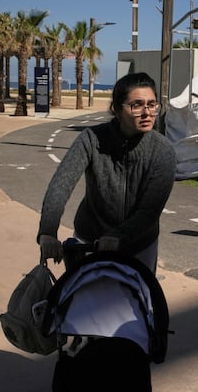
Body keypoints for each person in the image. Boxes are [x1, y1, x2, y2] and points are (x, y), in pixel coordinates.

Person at [37, 72, 176, 274]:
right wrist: (48, 232)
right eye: (137, 105)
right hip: (90, 240)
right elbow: (61, 185)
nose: (147, 113)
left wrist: (118, 236)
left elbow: (150, 210)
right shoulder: (91, 139)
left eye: (152, 104)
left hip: (140, 245)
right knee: (83, 290)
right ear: (117, 109)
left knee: (141, 293)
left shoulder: (163, 150)